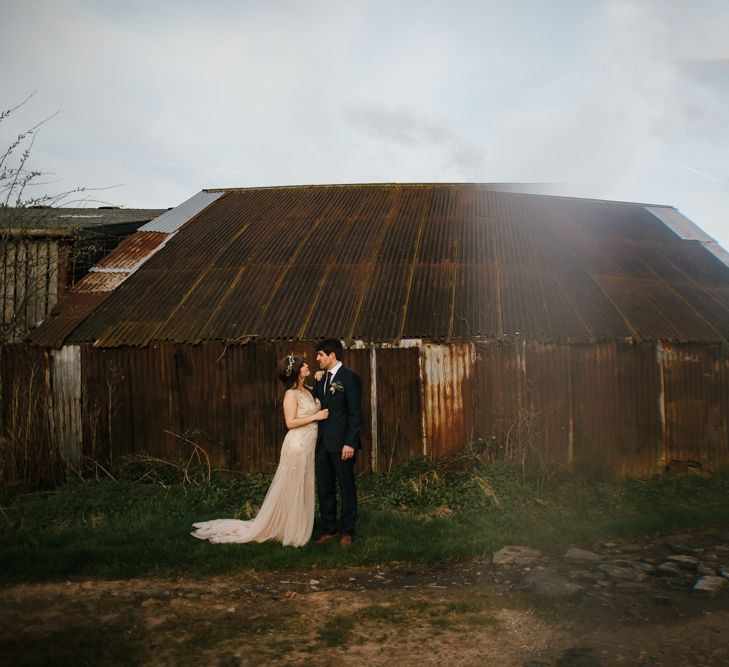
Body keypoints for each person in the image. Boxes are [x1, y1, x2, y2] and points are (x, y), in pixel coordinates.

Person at [190, 356, 328, 547]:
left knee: (303, 485)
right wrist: (316, 416)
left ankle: (296, 526)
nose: (307, 365)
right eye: (303, 364)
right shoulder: (291, 395)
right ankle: (292, 532)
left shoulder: (307, 390)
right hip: (297, 446)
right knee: (293, 487)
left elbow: (319, 396)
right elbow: (290, 423)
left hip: (308, 445)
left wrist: (321, 379)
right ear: (297, 371)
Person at [312, 338, 363, 546]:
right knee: (325, 488)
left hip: (343, 444)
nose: (317, 359)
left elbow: (355, 413)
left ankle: (347, 531)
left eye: (320, 355)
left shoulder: (349, 377)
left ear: (332, 355)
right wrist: (315, 382)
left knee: (346, 487)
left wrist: (350, 442)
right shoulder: (321, 379)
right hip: (323, 443)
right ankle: (329, 529)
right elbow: (315, 404)